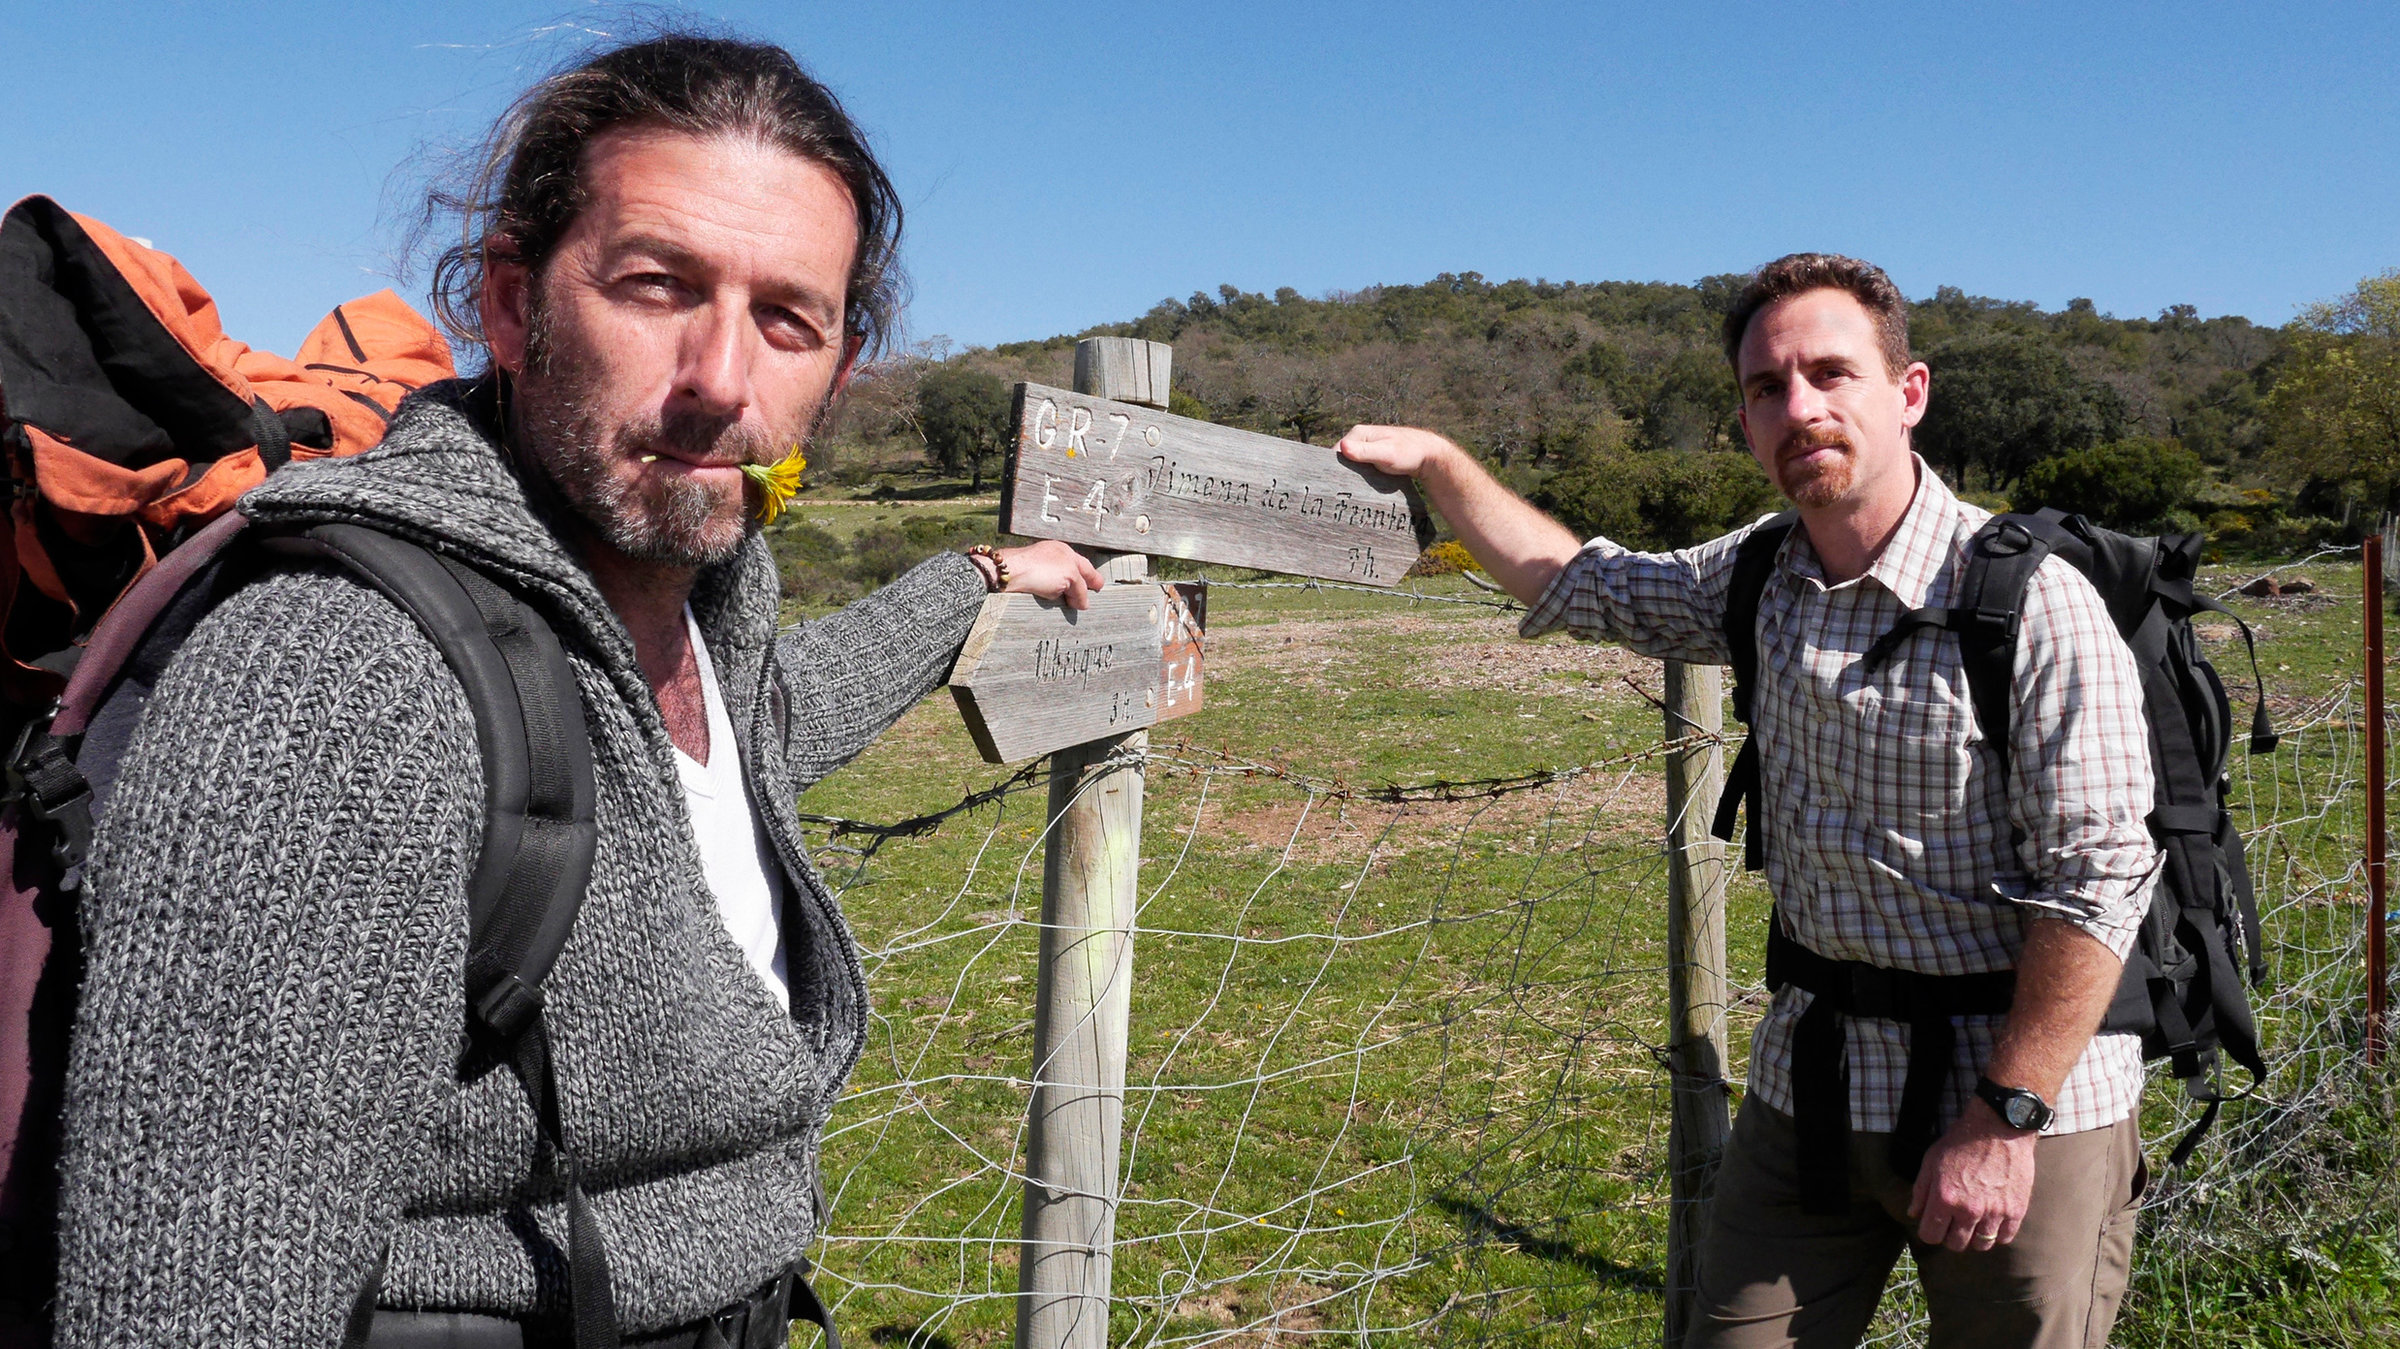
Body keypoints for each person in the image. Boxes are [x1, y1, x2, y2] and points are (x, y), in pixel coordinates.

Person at [50, 34, 1102, 1347]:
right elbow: (188, 1310)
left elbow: (786, 713)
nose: (723, 378)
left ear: (834, 368)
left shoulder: (698, 616)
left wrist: (981, 576)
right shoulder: (339, 676)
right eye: (657, 285)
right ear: (510, 305)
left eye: (788, 319)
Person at [1337, 253, 2159, 1348]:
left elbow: (2099, 875)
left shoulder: (2026, 600)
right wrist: (1440, 460)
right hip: (1813, 1077)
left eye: (1831, 373)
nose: (1800, 408)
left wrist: (2006, 1115)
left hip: (2021, 1092)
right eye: (1768, 387)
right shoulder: (1760, 571)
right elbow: (1582, 579)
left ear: (1908, 393)